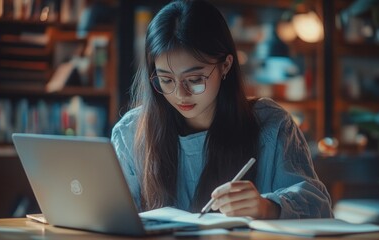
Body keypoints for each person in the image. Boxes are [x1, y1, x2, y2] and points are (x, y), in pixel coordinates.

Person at [111, 0, 333, 219]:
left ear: (225, 65)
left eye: (195, 79)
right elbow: (112, 216)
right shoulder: (131, 133)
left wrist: (267, 207)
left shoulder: (271, 125)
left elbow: (318, 206)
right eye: (166, 80)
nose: (180, 94)